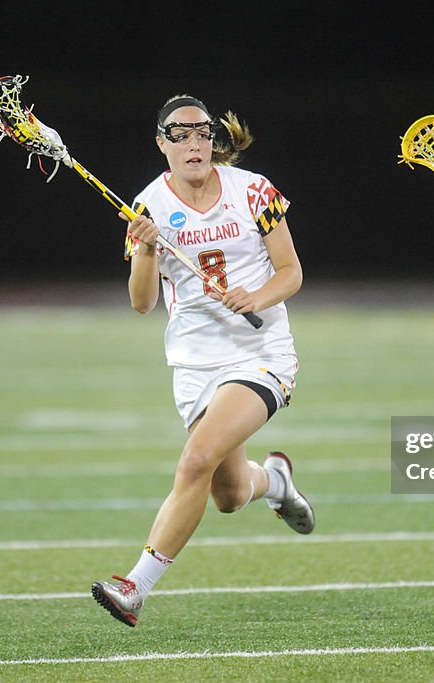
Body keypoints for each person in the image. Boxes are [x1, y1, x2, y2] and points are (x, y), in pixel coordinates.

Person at [91, 95, 314, 627]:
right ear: (161, 144)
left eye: (202, 133)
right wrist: (145, 248)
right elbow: (142, 303)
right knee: (231, 494)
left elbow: (291, 273)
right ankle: (276, 483)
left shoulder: (253, 191)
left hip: (260, 356)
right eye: (180, 134)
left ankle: (134, 587)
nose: (194, 144)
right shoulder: (146, 208)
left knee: (195, 460)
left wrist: (255, 298)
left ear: (214, 141)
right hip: (194, 365)